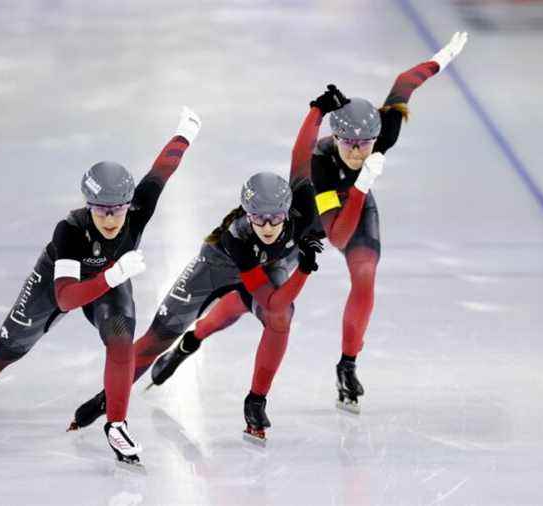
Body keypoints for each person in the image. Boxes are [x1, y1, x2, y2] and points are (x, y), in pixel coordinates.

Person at [0, 107, 202, 466]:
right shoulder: (70, 230)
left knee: (121, 340)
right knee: (6, 350)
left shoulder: (139, 208)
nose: (109, 218)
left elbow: (163, 168)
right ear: (88, 206)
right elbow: (65, 298)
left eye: (116, 209)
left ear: (129, 204)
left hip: (108, 278)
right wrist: (114, 275)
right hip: (58, 282)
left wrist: (185, 133)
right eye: (100, 210)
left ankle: (116, 425)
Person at [69, 86, 348, 442]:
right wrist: (306, 269)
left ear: (287, 211)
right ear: (246, 214)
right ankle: (107, 396)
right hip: (217, 263)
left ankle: (255, 401)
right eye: (257, 219)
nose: (266, 227)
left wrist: (316, 110)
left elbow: (300, 155)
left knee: (281, 318)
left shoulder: (303, 207)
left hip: (272, 266)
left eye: (274, 219)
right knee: (158, 337)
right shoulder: (237, 236)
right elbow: (268, 296)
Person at [311, 32, 469, 413]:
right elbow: (335, 236)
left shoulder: (386, 131)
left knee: (364, 279)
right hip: (315, 210)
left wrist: (441, 58)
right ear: (335, 136)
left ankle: (347, 366)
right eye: (347, 142)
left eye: (365, 143)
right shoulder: (321, 160)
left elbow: (404, 83)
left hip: (357, 205)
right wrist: (362, 183)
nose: (356, 150)